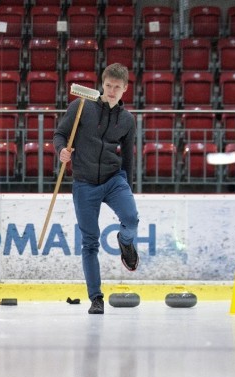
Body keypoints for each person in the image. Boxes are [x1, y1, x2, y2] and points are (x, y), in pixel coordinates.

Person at [53, 62, 140, 315]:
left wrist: (128, 188)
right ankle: (96, 298)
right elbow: (60, 134)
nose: (111, 90)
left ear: (125, 89)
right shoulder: (81, 107)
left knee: (131, 219)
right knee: (90, 243)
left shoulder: (127, 120)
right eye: (108, 85)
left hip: (114, 180)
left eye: (117, 87)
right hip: (85, 183)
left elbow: (128, 159)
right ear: (103, 84)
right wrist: (62, 151)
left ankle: (125, 243)